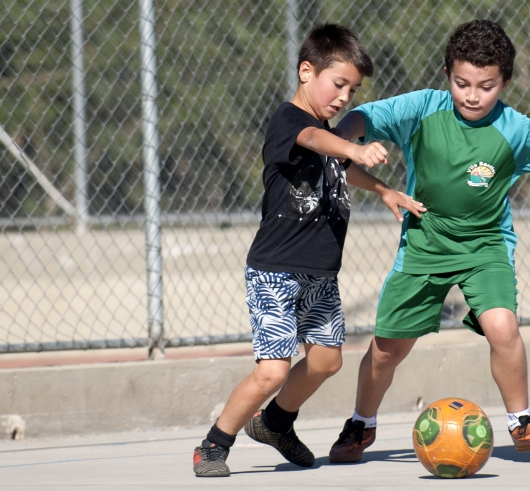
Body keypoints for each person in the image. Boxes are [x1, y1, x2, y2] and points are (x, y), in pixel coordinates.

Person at [327, 19, 530, 464]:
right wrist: (347, 138)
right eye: (462, 83)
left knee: (503, 327)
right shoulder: (424, 108)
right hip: (425, 244)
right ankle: (360, 423)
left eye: (485, 86)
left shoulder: (518, 130)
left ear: (504, 81)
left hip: (485, 246)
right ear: (447, 73)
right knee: (386, 349)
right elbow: (365, 116)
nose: (472, 95)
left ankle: (523, 422)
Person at [192, 23, 424, 477]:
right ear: (306, 71)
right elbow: (320, 143)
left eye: (353, 90)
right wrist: (354, 150)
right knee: (273, 372)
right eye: (338, 84)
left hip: (320, 272)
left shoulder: (328, 132)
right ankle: (213, 444)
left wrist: (382, 191)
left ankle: (276, 423)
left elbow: (338, 163)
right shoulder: (290, 122)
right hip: (276, 270)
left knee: (326, 360)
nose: (344, 97)